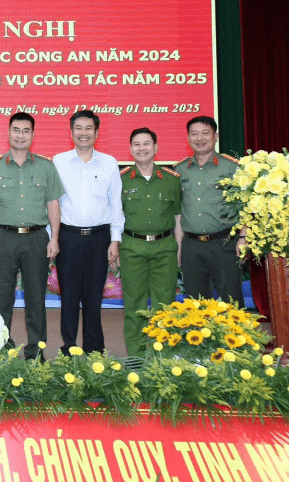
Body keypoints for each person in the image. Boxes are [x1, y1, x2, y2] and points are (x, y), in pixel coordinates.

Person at [0, 113, 63, 361]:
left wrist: (54, 238)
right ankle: (2, 349)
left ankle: (36, 352)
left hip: (36, 239)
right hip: (3, 238)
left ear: (33, 135)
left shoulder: (46, 166)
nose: (20, 135)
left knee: (36, 299)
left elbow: (53, 203)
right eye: (16, 130)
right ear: (8, 133)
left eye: (26, 131)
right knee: (2, 297)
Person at [53, 110, 124, 355]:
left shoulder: (109, 163)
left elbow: (116, 204)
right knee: (69, 298)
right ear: (71, 132)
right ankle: (69, 349)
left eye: (89, 128)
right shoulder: (59, 162)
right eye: (79, 128)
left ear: (97, 132)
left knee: (94, 297)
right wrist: (52, 238)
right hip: (68, 237)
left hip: (100, 238)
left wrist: (115, 239)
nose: (83, 133)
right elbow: (51, 203)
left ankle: (95, 351)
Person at [119, 127, 181, 356]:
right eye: (137, 144)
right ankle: (135, 356)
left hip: (165, 248)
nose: (142, 148)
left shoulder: (171, 179)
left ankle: (161, 356)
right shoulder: (121, 180)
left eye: (146, 144)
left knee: (164, 305)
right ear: (130, 149)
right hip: (132, 248)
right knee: (133, 304)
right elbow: (115, 216)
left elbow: (178, 217)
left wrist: (179, 248)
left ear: (156, 147)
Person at [173, 116, 245, 303]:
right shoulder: (179, 170)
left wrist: (244, 238)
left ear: (216, 137)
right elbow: (179, 214)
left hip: (224, 242)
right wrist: (179, 246)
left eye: (205, 133)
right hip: (191, 245)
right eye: (194, 134)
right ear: (188, 138)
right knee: (195, 303)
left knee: (231, 300)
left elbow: (246, 206)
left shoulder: (232, 167)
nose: (200, 138)